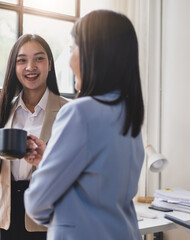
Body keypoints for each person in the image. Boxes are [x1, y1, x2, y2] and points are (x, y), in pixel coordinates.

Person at [24, 10, 145, 240]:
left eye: (71, 49)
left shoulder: (79, 112)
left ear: (94, 54)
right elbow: (101, 186)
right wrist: (49, 158)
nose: (69, 60)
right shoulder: (130, 115)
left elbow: (37, 203)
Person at [0, 34, 68, 240]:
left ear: (49, 64)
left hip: (47, 219)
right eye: (22, 60)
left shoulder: (68, 111)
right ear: (14, 66)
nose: (30, 66)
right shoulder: (0, 109)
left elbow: (75, 171)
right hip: (3, 219)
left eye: (39, 58)